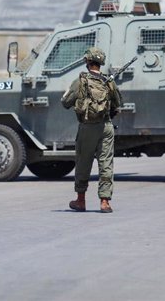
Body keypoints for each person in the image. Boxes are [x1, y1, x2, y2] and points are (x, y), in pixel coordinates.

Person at [61, 47, 122, 213]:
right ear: (100, 63)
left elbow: (65, 102)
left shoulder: (81, 81)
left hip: (87, 127)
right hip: (106, 126)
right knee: (106, 163)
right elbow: (117, 104)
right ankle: (104, 202)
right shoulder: (108, 82)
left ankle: (80, 201)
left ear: (87, 62)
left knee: (83, 162)